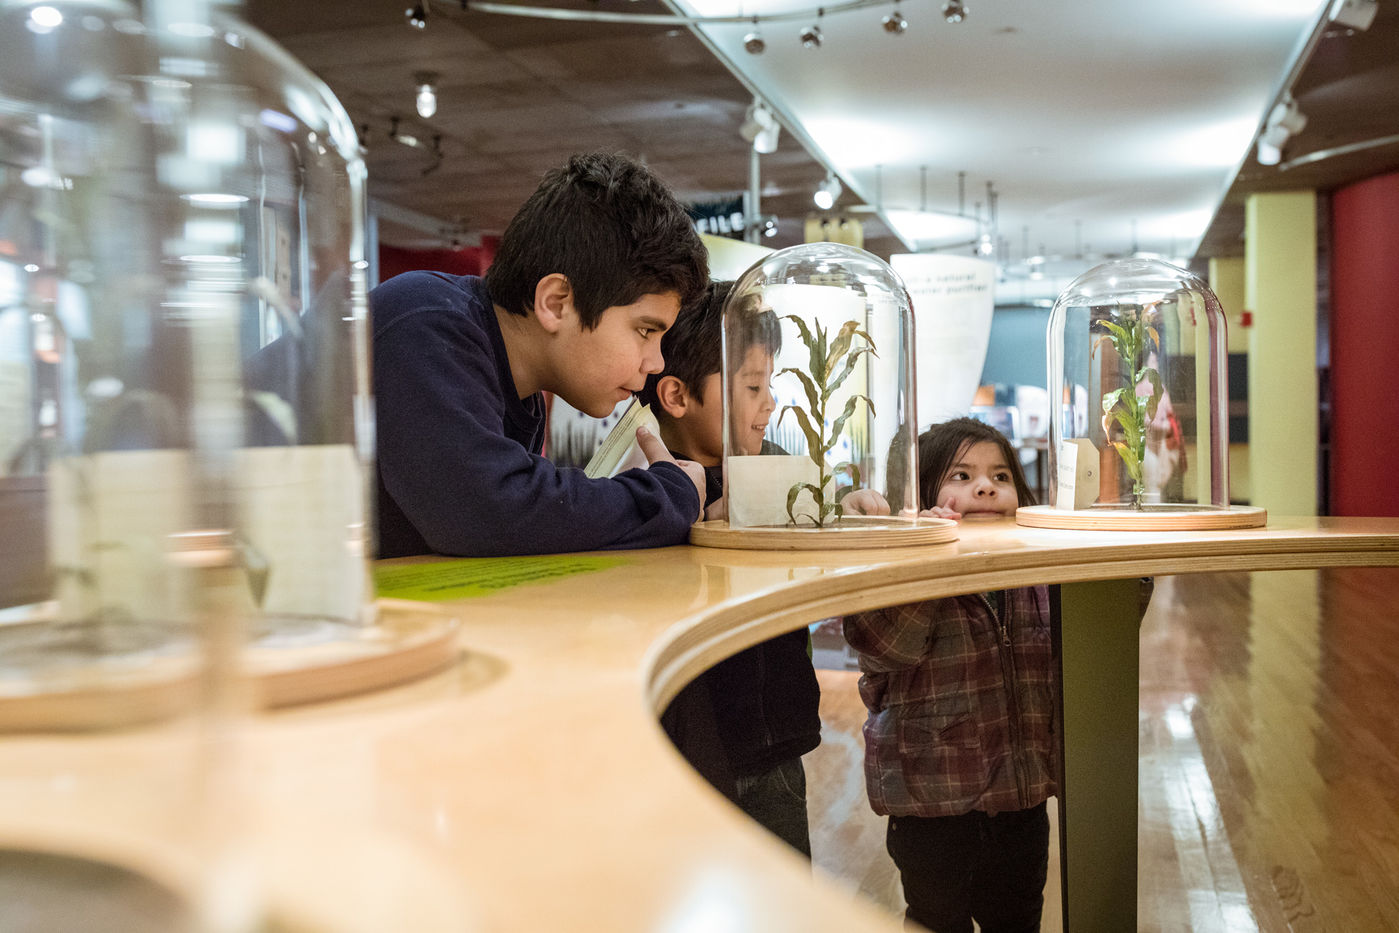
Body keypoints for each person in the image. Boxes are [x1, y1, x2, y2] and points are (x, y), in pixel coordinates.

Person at [369, 152, 709, 558]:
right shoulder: (422, 321)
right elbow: (492, 513)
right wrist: (666, 498)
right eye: (645, 331)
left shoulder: (520, 390)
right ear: (556, 303)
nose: (655, 363)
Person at [842, 417, 1056, 933]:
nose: (985, 486)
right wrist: (931, 559)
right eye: (960, 476)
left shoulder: (1038, 572)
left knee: (1020, 919)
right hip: (931, 807)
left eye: (1000, 476)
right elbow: (887, 645)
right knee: (937, 920)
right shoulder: (899, 563)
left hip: (1021, 802)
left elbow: (1100, 630)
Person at [637, 281, 822, 855]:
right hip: (689, 752)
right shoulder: (634, 492)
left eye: (769, 385)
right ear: (675, 395)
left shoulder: (778, 475)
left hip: (778, 746)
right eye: (751, 386)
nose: (769, 403)